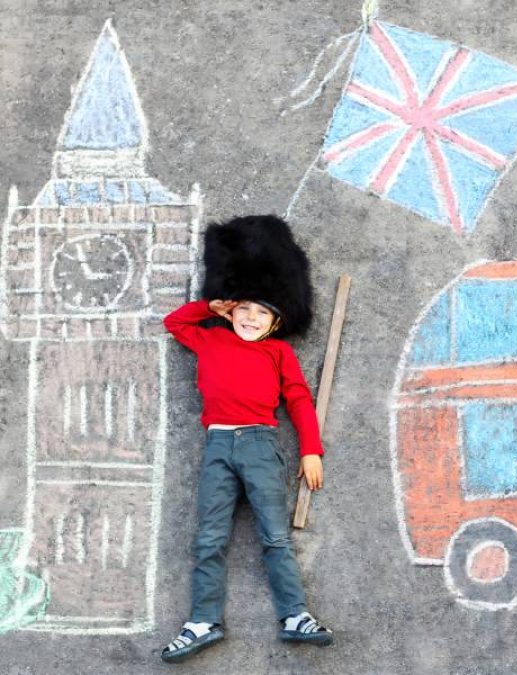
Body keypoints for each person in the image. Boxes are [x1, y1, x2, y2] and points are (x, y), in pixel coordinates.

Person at [161, 215, 332, 663]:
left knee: (275, 536)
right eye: (244, 310)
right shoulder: (209, 340)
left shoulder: (278, 352)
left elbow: (297, 400)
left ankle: (295, 616)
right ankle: (203, 620)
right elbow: (173, 322)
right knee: (209, 537)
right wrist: (211, 306)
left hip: (261, 444)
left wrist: (311, 450)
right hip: (218, 444)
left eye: (262, 313)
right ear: (231, 310)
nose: (251, 319)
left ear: (275, 323)